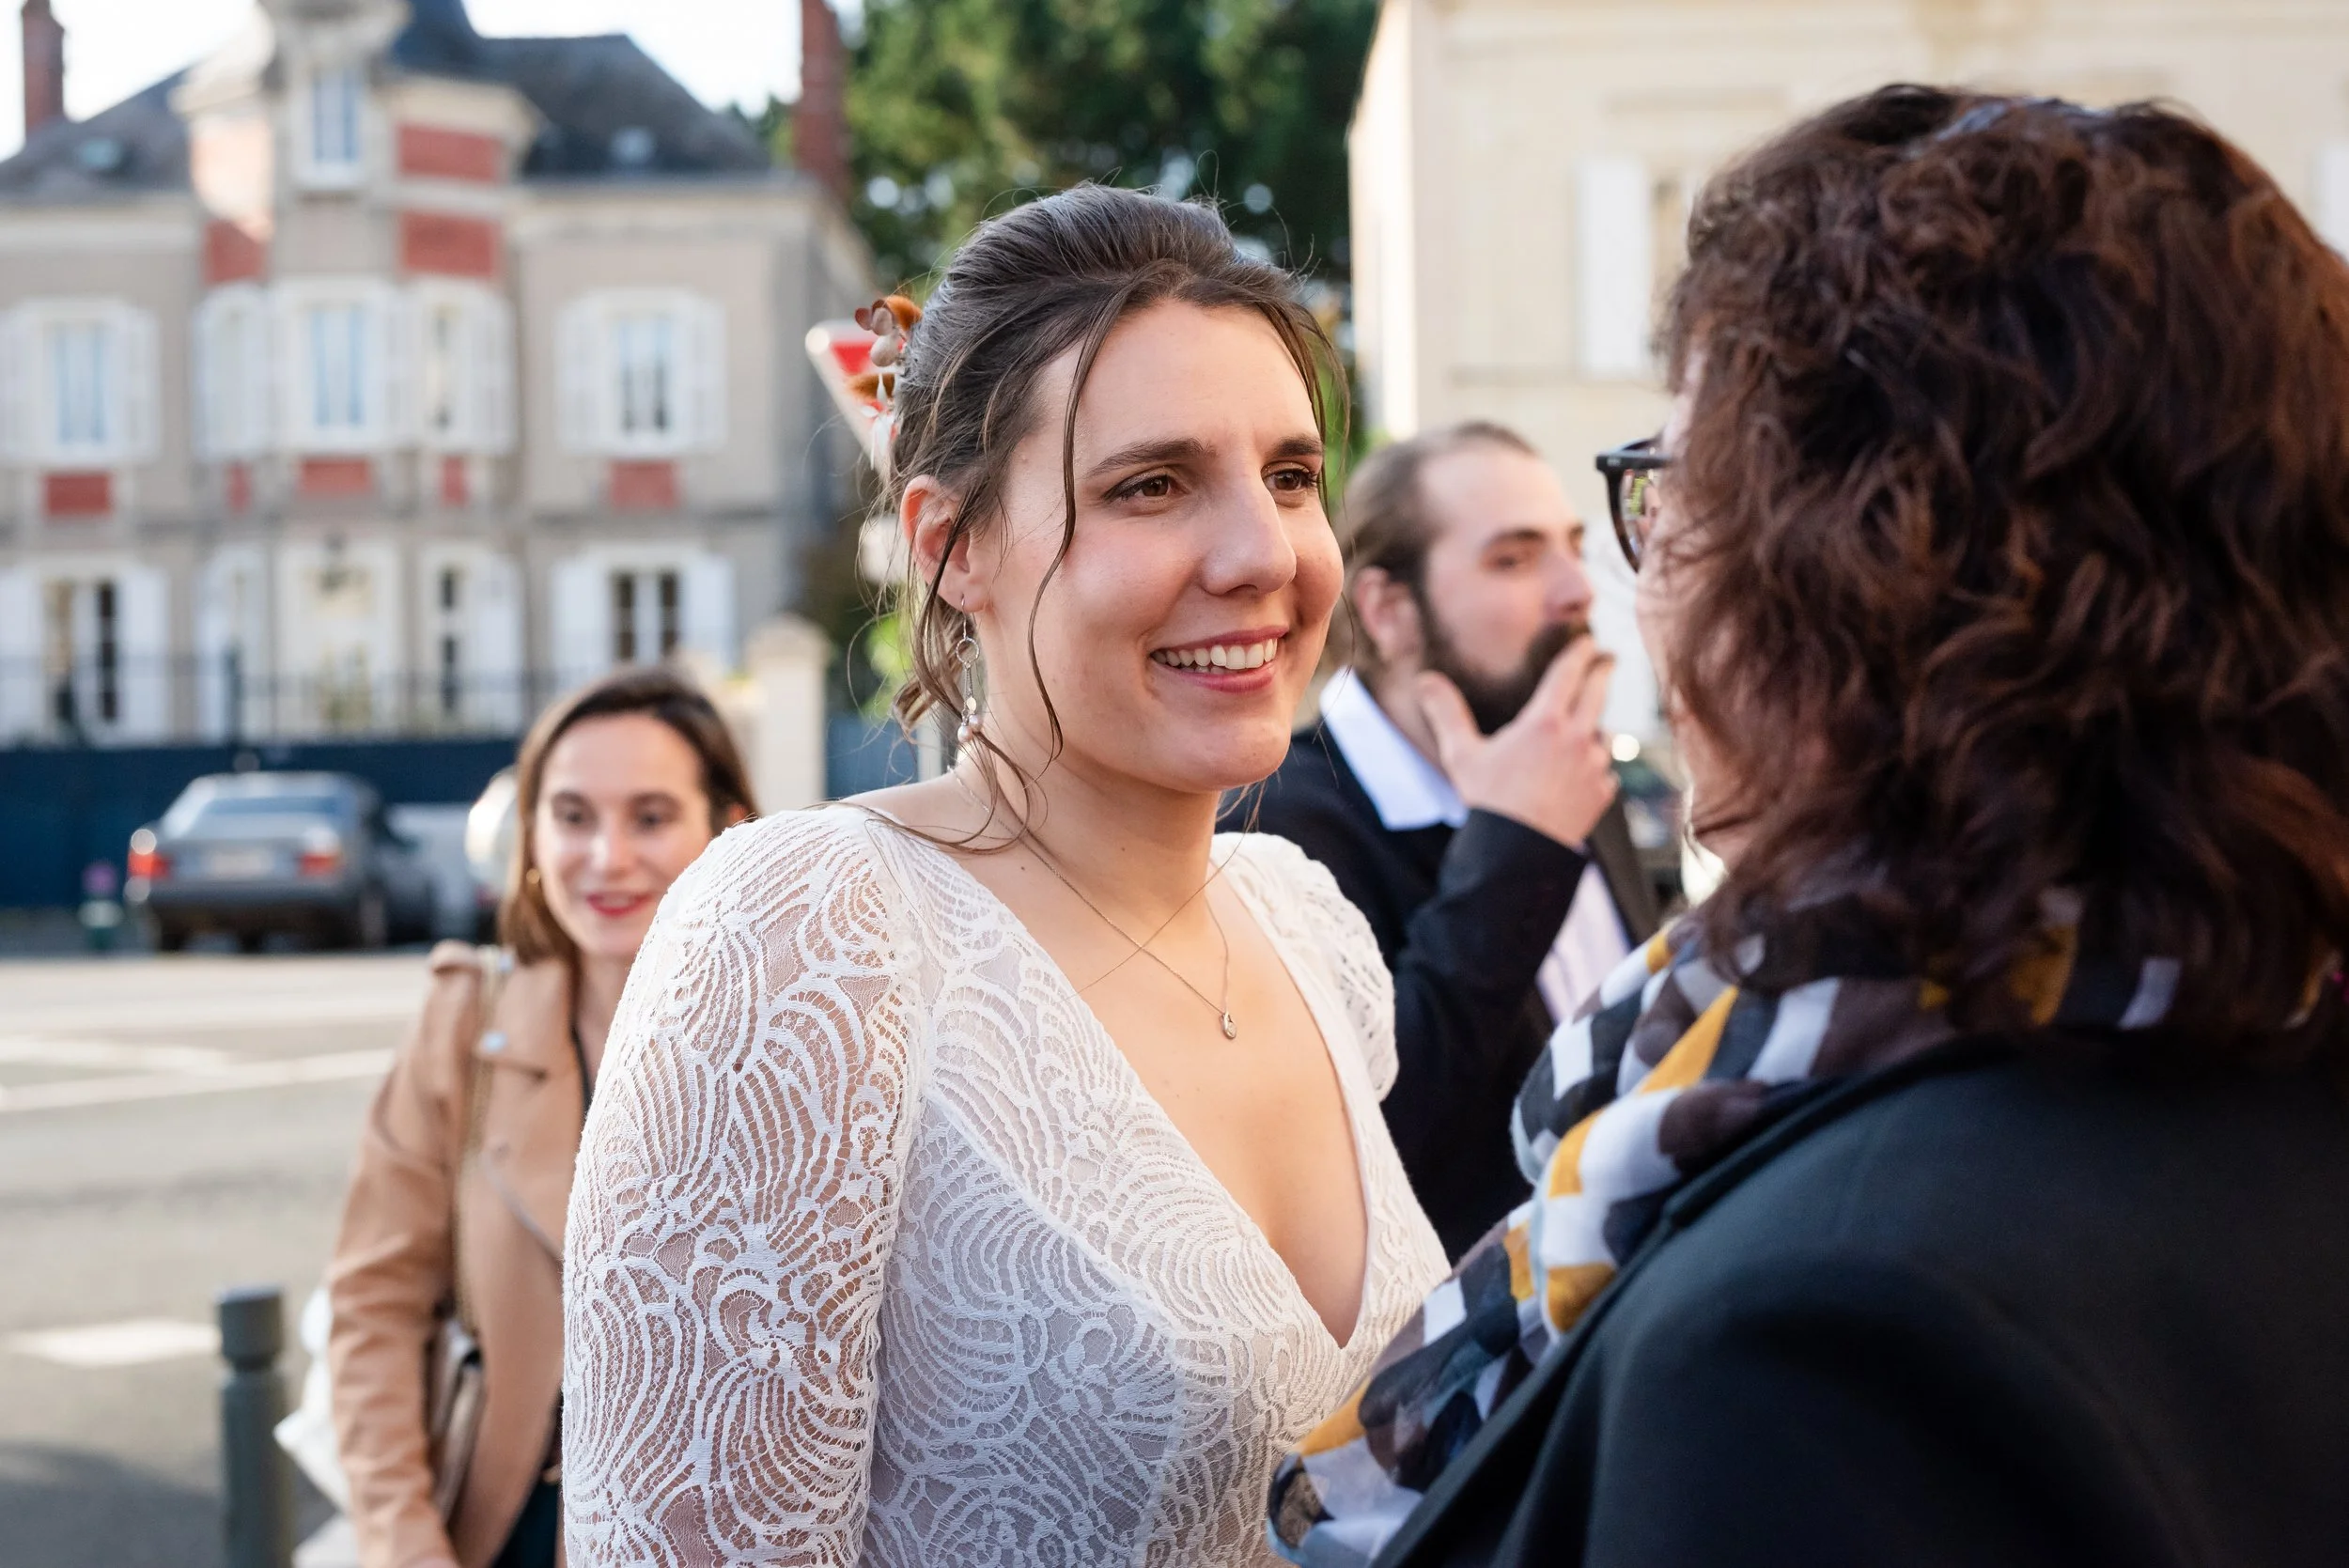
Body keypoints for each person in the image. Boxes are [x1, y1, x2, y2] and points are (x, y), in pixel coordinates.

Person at [1269, 86, 2349, 1568]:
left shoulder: (1814, 1340)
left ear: (1838, 583)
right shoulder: (2267, 1041)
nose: (1621, 586)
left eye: (1667, 492)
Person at [561, 185, 1451, 1568]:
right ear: (951, 545)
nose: (1264, 552)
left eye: (1290, 475)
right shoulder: (815, 934)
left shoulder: (1303, 920)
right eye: (1151, 485)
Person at [326, 667, 755, 1568]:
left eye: (650, 817)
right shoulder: (463, 1024)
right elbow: (374, 1308)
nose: (607, 856)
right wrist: (406, 1547)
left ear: (729, 829)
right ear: (530, 834)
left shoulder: (794, 1049)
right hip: (500, 1533)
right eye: (572, 816)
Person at [1239, 423, 1660, 1257]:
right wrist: (1516, 849)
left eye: (1574, 548)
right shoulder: (1272, 829)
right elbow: (1371, 1152)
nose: (1577, 589)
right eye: (1514, 559)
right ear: (1389, 610)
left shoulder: (1571, 766)